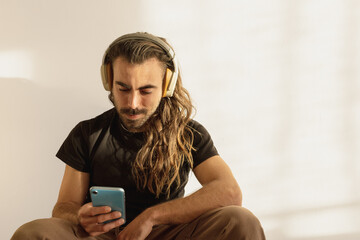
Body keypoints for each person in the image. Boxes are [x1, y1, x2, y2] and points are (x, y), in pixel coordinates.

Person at [11, 32, 265, 240]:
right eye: (123, 88)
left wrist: (151, 217)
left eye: (146, 90)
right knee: (32, 233)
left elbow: (229, 192)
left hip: (167, 233)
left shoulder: (190, 134)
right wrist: (79, 217)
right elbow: (63, 207)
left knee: (240, 221)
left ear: (166, 86)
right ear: (108, 81)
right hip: (102, 237)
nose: (132, 103)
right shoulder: (87, 134)